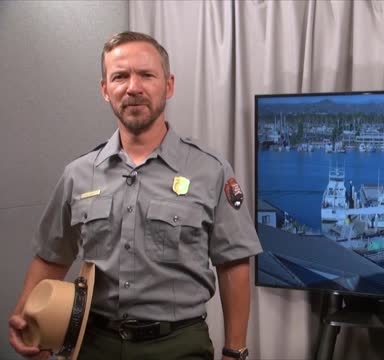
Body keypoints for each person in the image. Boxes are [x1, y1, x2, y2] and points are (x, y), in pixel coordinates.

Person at [8, 31, 262, 360]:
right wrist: (25, 318)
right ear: (105, 90)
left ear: (168, 85)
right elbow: (51, 255)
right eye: (120, 77)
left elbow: (233, 264)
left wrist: (235, 350)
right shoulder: (78, 174)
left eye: (146, 75)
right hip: (92, 343)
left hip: (179, 345)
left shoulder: (211, 170)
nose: (133, 87)